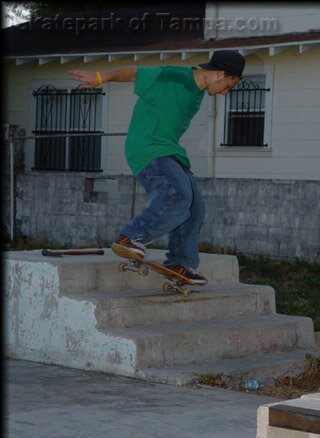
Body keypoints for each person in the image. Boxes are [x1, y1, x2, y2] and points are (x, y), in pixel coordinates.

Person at [70, 50, 245, 285]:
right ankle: (130, 237)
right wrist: (102, 77)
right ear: (219, 74)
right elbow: (134, 73)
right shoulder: (172, 76)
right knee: (177, 194)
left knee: (195, 206)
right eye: (228, 86)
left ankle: (179, 262)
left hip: (169, 150)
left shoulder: (198, 92)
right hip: (147, 147)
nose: (225, 93)